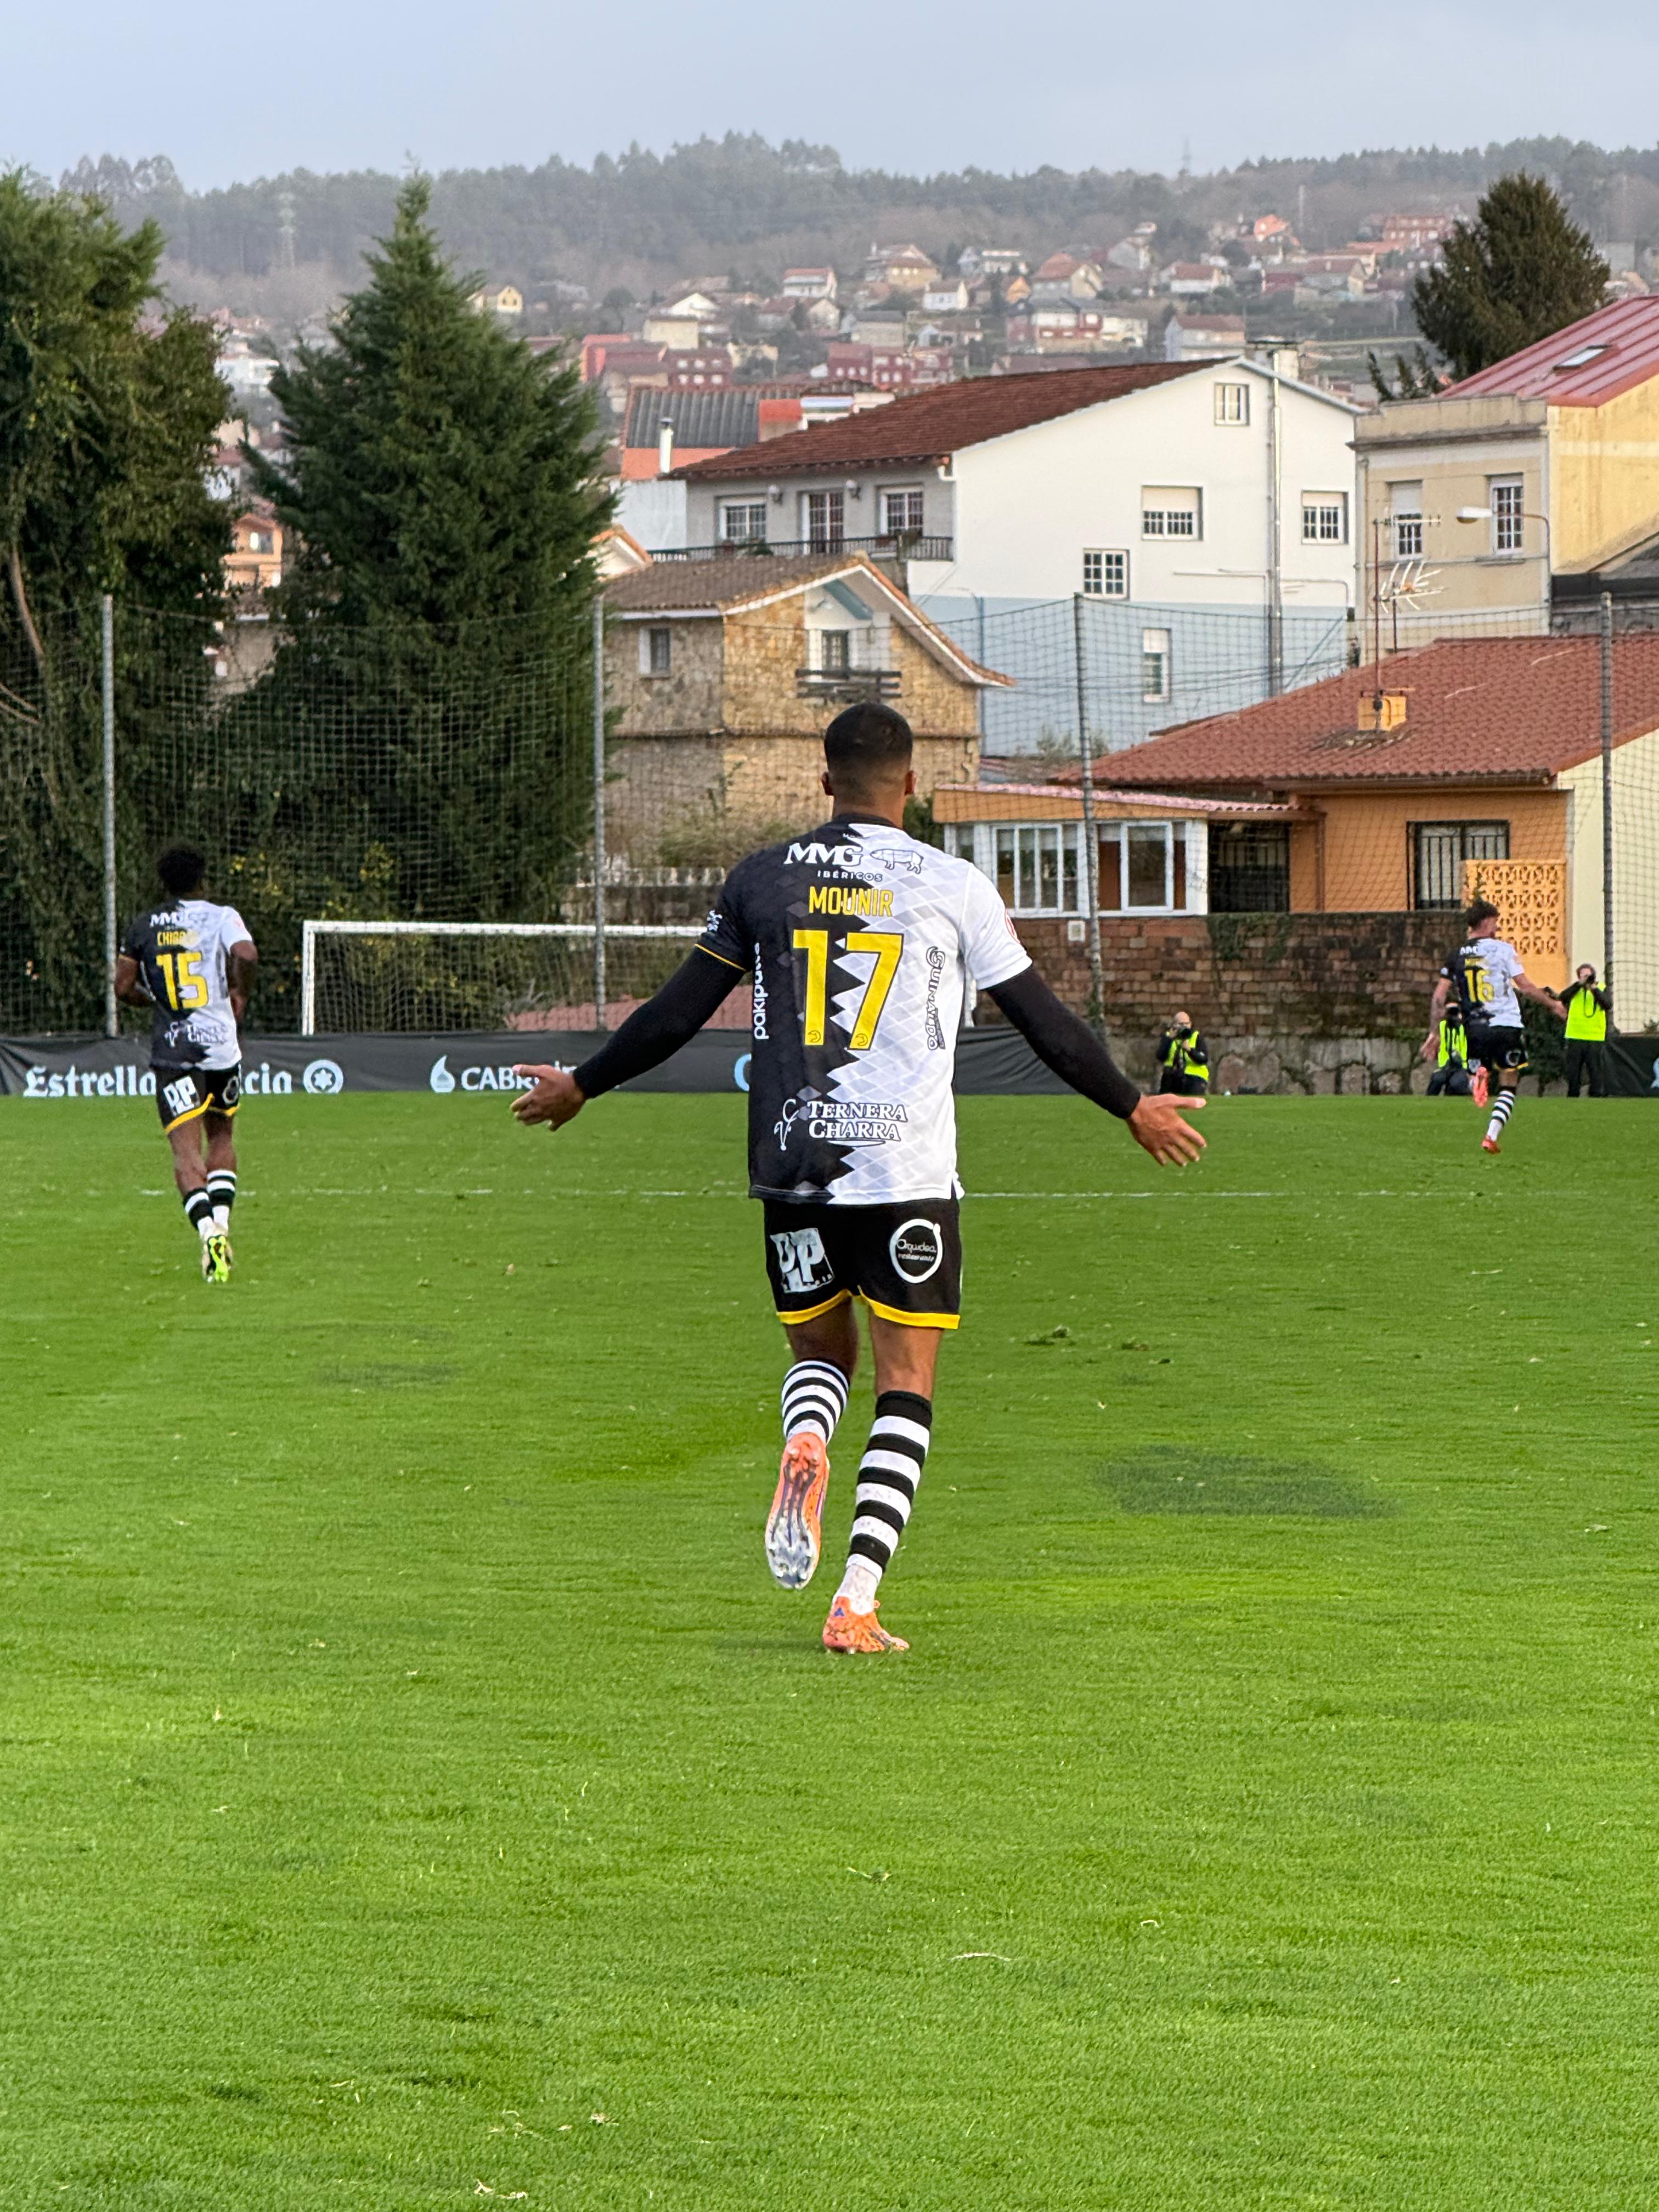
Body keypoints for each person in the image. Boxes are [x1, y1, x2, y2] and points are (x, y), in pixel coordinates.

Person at [511, 702, 1206, 1655]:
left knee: (817, 1359)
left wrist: (582, 1084)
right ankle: (855, 1599)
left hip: (793, 1163)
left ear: (822, 781)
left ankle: (805, 1439)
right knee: (904, 1385)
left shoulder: (762, 879)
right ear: (911, 787)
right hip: (903, 1173)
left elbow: (678, 1010)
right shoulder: (951, 884)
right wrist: (1132, 1106)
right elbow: (1043, 1019)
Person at [115, 844, 257, 1282]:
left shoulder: (143, 926)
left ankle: (207, 1232)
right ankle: (224, 1225)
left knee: (185, 1152)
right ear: (203, 879)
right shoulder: (222, 916)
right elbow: (247, 955)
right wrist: (239, 993)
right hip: (220, 1048)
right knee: (222, 1136)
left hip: (174, 1051)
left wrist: (154, 1001)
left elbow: (122, 987)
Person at [1424, 899, 1565, 1154]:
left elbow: (1438, 996)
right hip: (1506, 1025)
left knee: (1477, 1070)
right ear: (1487, 922)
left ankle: (1476, 1078)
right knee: (1510, 1082)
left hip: (1475, 1027)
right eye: (1496, 922)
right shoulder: (1503, 950)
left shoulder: (1456, 955)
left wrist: (1435, 1032)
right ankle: (1491, 1136)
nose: (1498, 928)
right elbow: (1525, 986)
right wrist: (1553, 1004)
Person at [1560, 964, 1611, 1097]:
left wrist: (1593, 989)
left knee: (1595, 1072)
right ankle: (1573, 1096)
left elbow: (1607, 1004)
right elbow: (1562, 998)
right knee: (1573, 1072)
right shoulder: (1575, 990)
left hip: (1595, 1037)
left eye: (1588, 975)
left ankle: (1596, 1097)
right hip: (1575, 1036)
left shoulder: (1601, 988)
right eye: (1583, 975)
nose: (1586, 978)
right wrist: (1579, 985)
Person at [1157, 1012, 1210, 1096]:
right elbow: (1160, 1057)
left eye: (1187, 1024)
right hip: (1172, 1076)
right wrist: (1169, 1040)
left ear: (1191, 1024)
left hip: (1194, 1076)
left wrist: (1190, 1050)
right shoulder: (1168, 1036)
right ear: (1174, 1025)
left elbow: (1204, 1059)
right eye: (1181, 1024)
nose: (1184, 1027)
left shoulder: (1196, 1036)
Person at [1425, 1007, 1472, 1098]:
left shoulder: (1464, 1028)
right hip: (1445, 1065)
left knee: (1457, 1084)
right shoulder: (1443, 1026)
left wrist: (1462, 1062)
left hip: (1460, 1065)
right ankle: (1429, 1100)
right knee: (1437, 1079)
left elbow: (1464, 1046)